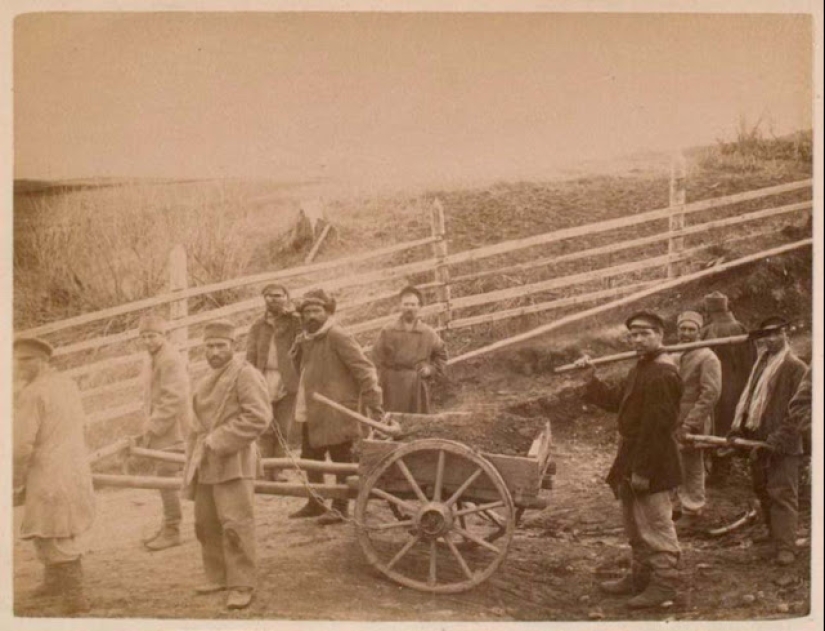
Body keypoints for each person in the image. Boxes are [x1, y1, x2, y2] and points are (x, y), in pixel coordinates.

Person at [576, 310, 683, 609]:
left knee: (656, 524)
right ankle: (640, 577)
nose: (638, 339)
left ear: (660, 335)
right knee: (634, 524)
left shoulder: (663, 373)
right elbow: (615, 402)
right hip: (631, 456)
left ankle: (664, 585)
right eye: (634, 335)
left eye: (645, 334)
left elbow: (658, 430)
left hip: (653, 461)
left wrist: (643, 471)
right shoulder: (641, 368)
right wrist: (590, 378)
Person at [181, 320, 272, 610]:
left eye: (221, 345)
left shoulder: (245, 375)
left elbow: (259, 417)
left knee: (235, 524)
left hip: (233, 461)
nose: (215, 351)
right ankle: (218, 575)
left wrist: (218, 439)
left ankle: (242, 584)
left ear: (234, 346)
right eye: (210, 346)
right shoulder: (207, 378)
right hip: (205, 462)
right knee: (206, 523)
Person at [13, 337, 96, 615]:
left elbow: (21, 444)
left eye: (27, 361)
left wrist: (14, 478)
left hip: (49, 471)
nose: (20, 367)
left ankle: (75, 596)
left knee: (56, 530)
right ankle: (53, 582)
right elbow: (85, 425)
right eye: (18, 361)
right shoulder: (67, 384)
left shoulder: (32, 394)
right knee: (52, 525)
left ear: (44, 361)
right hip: (74, 467)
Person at [289, 288, 383, 525]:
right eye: (306, 311)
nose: (311, 316)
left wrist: (374, 403)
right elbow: (301, 370)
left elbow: (365, 369)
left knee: (341, 459)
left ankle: (340, 506)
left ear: (327, 312)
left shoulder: (337, 335)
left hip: (337, 410)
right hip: (312, 409)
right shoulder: (307, 339)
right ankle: (315, 502)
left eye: (316, 310)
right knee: (310, 456)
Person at [728, 316, 807, 566]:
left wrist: (776, 439)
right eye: (766, 335)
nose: (770, 339)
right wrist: (739, 429)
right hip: (757, 439)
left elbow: (800, 411)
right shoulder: (760, 364)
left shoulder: (796, 367)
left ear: (786, 334)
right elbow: (749, 399)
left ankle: (787, 547)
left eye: (776, 334)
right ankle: (774, 534)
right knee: (762, 487)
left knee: (782, 493)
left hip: (783, 442)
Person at [137, 314, 191, 551]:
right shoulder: (153, 357)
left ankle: (172, 529)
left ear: (163, 336)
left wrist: (152, 426)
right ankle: (168, 525)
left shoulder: (170, 359)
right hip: (162, 426)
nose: (148, 341)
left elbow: (174, 397)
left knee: (166, 476)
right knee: (163, 476)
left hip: (173, 428)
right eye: (144, 336)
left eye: (153, 336)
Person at [246, 283, 302, 481]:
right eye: (269, 296)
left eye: (278, 296)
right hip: (263, 379)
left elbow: (304, 344)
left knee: (283, 426)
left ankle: (278, 470)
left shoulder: (295, 323)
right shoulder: (258, 326)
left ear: (287, 298)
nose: (274, 299)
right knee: (264, 426)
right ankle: (262, 468)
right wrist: (251, 378)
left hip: (287, 379)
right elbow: (251, 355)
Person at [672, 311, 721, 531]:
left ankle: (692, 508)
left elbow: (711, 393)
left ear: (699, 332)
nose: (686, 333)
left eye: (691, 329)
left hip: (693, 419)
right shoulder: (671, 352)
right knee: (672, 461)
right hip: (670, 419)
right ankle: (674, 505)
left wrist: (690, 422)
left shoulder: (707, 357)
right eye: (683, 329)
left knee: (691, 465)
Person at [701, 291, 756, 485]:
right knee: (734, 424)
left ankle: (720, 472)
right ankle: (728, 467)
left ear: (709, 310)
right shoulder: (741, 327)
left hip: (719, 388)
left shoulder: (709, 331)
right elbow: (752, 358)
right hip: (740, 386)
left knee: (719, 426)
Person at [372, 285, 448, 413]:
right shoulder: (388, 331)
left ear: (419, 307)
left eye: (413, 305)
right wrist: (381, 380)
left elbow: (442, 355)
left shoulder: (428, 333)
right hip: (392, 387)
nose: (409, 308)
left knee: (417, 425)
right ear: (400, 306)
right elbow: (376, 358)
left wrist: (431, 369)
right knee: (391, 423)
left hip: (416, 386)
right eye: (406, 304)